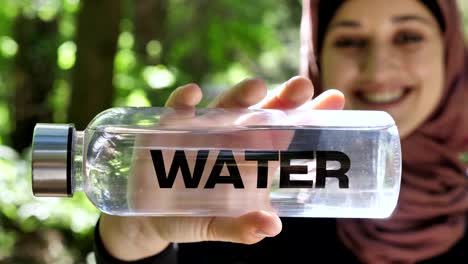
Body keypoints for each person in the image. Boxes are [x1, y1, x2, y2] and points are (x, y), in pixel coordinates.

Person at [93, 0, 468, 263]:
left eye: (408, 37)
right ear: (318, 58)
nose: (378, 67)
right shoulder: (250, 202)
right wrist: (138, 238)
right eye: (349, 41)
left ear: (450, 55)